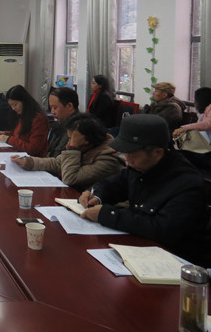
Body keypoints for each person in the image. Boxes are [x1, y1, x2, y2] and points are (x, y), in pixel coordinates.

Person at [79, 114, 211, 267]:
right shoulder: (140, 166)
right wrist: (95, 194)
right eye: (125, 153)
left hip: (177, 262)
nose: (127, 159)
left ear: (157, 153)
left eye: (132, 154)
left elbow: (161, 229)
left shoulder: (187, 183)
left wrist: (107, 215)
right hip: (140, 249)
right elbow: (114, 184)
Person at [11, 113, 124, 190]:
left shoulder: (108, 159)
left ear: (87, 140)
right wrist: (29, 162)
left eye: (72, 139)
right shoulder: (86, 148)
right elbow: (57, 163)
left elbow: (70, 179)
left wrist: (73, 148)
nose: (68, 144)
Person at [0, 85, 48, 157]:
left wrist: (9, 139)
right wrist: (6, 134)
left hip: (32, 159)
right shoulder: (22, 115)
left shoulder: (38, 119)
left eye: (15, 104)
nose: (13, 108)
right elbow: (21, 135)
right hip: (20, 156)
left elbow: (33, 149)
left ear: (24, 101)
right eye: (11, 105)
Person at [172, 87, 211, 169]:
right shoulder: (205, 112)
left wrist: (184, 128)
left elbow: (207, 124)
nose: (194, 103)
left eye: (195, 100)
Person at [47, 87, 80, 157]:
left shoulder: (77, 129)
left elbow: (59, 159)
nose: (52, 112)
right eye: (51, 108)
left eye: (55, 108)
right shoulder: (58, 126)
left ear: (69, 106)